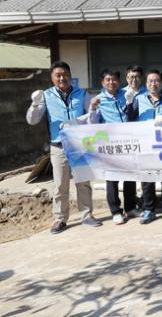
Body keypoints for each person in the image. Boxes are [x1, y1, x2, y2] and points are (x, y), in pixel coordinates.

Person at [25, 61, 102, 234]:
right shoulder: (45, 96)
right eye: (58, 75)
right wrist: (35, 104)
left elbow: (93, 117)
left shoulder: (82, 94)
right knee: (60, 184)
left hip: (79, 145)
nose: (62, 78)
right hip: (58, 146)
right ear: (52, 78)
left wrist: (91, 111)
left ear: (70, 75)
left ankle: (87, 215)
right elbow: (32, 120)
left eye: (65, 74)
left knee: (83, 182)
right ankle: (60, 219)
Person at [124, 70, 162, 224]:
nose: (153, 84)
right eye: (150, 81)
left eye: (156, 81)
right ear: (146, 83)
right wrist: (129, 103)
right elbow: (130, 119)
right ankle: (149, 209)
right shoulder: (139, 98)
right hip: (146, 144)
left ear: (161, 83)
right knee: (147, 179)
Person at [91, 69, 139, 224]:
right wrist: (92, 109)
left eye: (114, 79)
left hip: (128, 141)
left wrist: (130, 101)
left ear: (119, 81)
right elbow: (93, 122)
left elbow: (133, 114)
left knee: (130, 176)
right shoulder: (98, 100)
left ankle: (130, 208)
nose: (111, 82)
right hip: (110, 144)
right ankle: (116, 211)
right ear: (102, 82)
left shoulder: (126, 95)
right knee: (112, 178)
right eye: (108, 80)